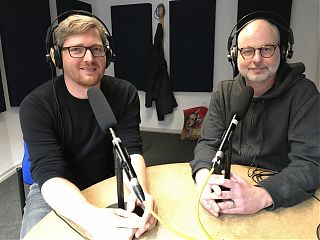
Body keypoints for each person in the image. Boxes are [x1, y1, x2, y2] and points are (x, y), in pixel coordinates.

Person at [19, 13, 157, 239]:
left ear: (107, 54)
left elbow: (131, 151)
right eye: (76, 49)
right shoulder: (35, 105)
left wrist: (140, 192)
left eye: (96, 49)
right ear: (56, 57)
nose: (89, 58)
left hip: (107, 180)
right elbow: (49, 173)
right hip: (53, 188)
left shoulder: (125, 93)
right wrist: (91, 218)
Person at [190, 16, 320, 217]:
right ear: (235, 55)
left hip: (280, 197)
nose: (257, 59)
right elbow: (208, 144)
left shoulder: (304, 94)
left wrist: (262, 195)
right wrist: (203, 178)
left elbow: (310, 162)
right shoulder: (223, 92)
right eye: (248, 51)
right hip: (229, 190)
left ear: (283, 52)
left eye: (266, 49)